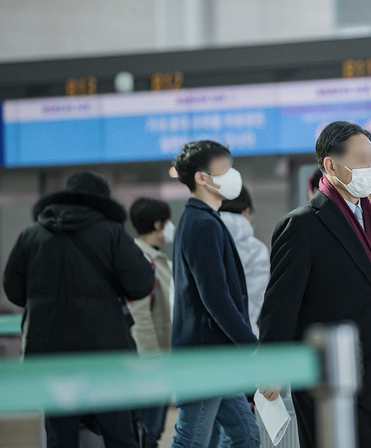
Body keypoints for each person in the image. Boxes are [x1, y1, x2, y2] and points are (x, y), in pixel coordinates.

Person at [259, 121, 371, 448]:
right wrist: (273, 365)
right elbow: (280, 305)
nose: (369, 169)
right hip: (327, 375)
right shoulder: (301, 225)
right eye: (360, 160)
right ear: (330, 164)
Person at [3, 171, 155, 448]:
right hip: (105, 350)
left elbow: (13, 290)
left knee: (60, 434)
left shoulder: (31, 235)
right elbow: (141, 283)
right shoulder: (112, 232)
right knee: (118, 431)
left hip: (50, 351)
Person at [169, 140, 260, 448]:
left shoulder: (205, 219)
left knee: (245, 436)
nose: (232, 175)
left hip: (215, 354)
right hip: (204, 356)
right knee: (191, 439)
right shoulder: (201, 223)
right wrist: (250, 344)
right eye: (224, 169)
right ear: (201, 178)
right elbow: (215, 296)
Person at [128, 197, 176, 448]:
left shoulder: (157, 259)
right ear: (158, 225)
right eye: (166, 222)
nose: (170, 227)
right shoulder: (141, 259)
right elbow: (140, 315)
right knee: (148, 430)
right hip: (152, 363)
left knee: (153, 431)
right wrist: (152, 361)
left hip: (161, 359)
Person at [219, 186, 270, 338]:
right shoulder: (255, 249)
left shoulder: (200, 238)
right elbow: (254, 303)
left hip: (202, 342)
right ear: (246, 211)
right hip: (243, 337)